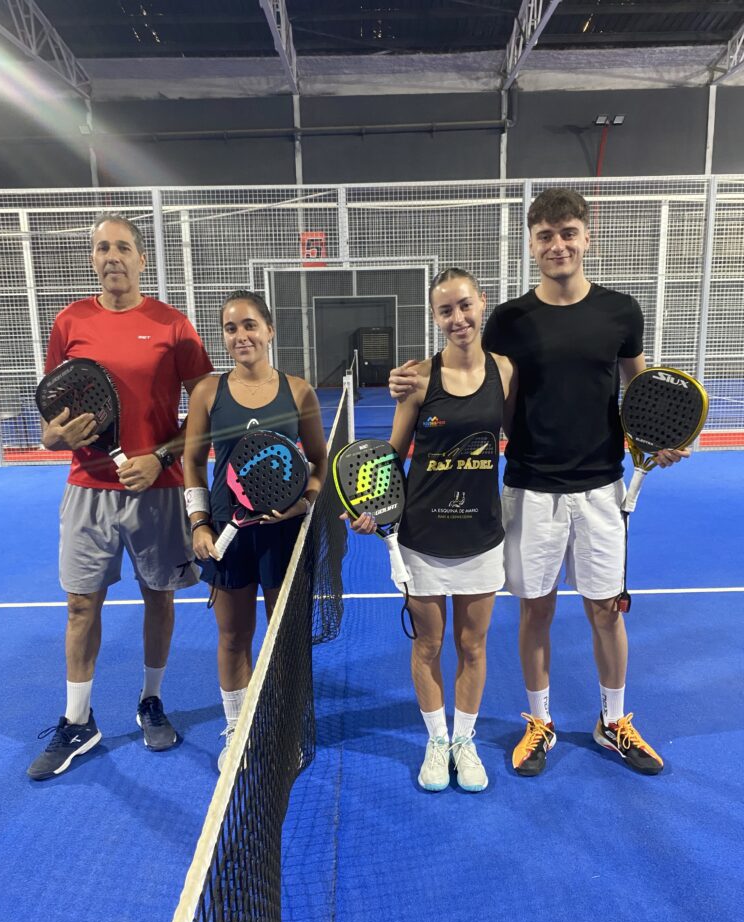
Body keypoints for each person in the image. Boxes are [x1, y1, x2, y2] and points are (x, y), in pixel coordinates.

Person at [391, 188, 688, 778]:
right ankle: (540, 721)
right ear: (531, 244)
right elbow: (469, 368)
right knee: (536, 611)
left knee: (607, 611)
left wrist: (656, 439)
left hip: (601, 488)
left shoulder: (622, 312)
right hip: (529, 488)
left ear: (587, 237)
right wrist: (413, 378)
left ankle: (613, 721)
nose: (558, 245)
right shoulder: (509, 321)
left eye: (568, 233)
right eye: (546, 236)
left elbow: (640, 389)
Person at [27, 213, 214, 781]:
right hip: (88, 489)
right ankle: (77, 720)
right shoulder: (70, 322)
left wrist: (159, 457)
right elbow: (54, 413)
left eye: (123, 247)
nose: (113, 256)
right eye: (103, 248)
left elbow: (204, 410)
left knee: (160, 596)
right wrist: (53, 437)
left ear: (141, 259)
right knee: (80, 605)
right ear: (93, 259)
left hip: (158, 490)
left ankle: (151, 700)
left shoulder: (173, 325)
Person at [347, 268, 516, 793]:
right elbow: (393, 454)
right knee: (428, 644)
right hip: (421, 537)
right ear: (435, 316)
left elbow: (520, 436)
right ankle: (437, 740)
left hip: (482, 536)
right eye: (446, 310)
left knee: (473, 646)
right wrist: (369, 506)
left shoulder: (505, 370)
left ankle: (464, 741)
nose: (458, 318)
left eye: (465, 305)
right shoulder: (419, 378)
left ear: (482, 302)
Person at [183, 290, 327, 771]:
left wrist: (302, 504)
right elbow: (191, 462)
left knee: (284, 638)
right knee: (233, 636)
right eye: (231, 328)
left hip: (284, 535)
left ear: (269, 331)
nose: (240, 335)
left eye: (249, 325)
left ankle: (287, 727)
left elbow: (319, 461)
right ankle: (237, 729)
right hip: (228, 532)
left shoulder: (298, 391)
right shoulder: (208, 393)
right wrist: (199, 522)